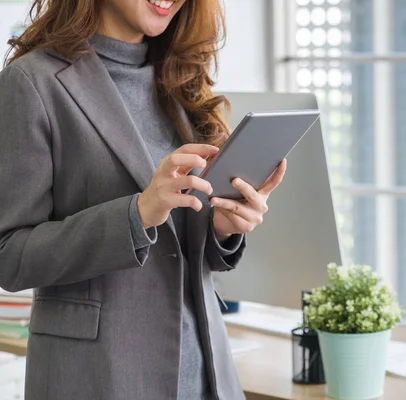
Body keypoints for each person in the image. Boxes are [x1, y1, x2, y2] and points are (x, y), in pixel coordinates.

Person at [0, 0, 286, 399]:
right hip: (98, 378)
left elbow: (180, 251)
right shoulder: (31, 82)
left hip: (203, 375)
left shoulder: (182, 76)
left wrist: (222, 228)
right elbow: (9, 255)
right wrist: (136, 215)